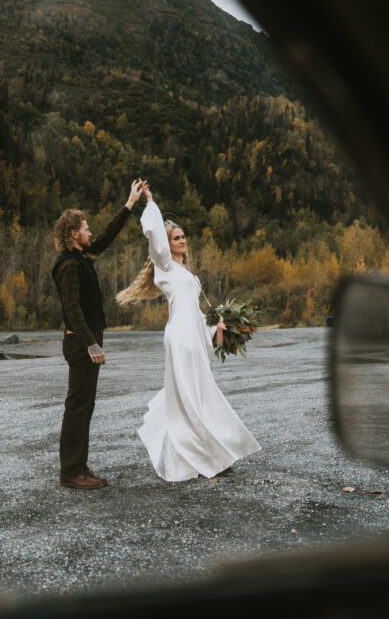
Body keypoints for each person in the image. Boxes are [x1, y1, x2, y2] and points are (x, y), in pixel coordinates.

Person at [117, 186, 260, 482]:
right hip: (179, 339)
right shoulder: (165, 265)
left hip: (193, 336)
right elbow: (155, 238)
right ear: (167, 245)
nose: (182, 240)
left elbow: (196, 311)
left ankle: (208, 454)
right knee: (190, 397)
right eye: (176, 238)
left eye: (183, 237)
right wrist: (151, 203)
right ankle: (202, 457)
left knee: (200, 396)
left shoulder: (187, 273)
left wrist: (216, 328)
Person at [53, 179, 146, 490]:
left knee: (86, 405)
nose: (90, 232)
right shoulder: (68, 265)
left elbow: (105, 238)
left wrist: (129, 204)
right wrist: (91, 343)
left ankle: (80, 466)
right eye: (85, 228)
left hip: (88, 341)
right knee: (77, 406)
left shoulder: (84, 256)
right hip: (80, 343)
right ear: (72, 234)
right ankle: (70, 473)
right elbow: (72, 309)